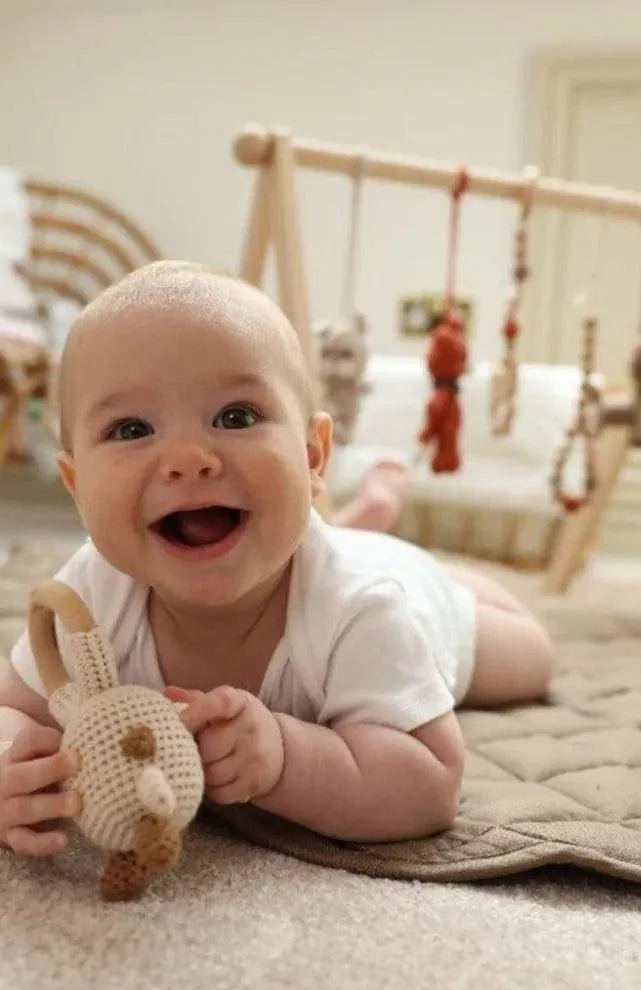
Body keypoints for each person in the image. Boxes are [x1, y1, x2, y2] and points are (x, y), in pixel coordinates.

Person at [0, 261, 554, 857]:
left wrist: (287, 759)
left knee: (533, 658)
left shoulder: (364, 608)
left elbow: (430, 787)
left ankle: (434, 569)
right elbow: (12, 705)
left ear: (313, 456)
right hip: (327, 548)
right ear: (77, 487)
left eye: (235, 417)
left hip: (417, 598)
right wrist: (11, 760)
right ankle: (354, 520)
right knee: (305, 536)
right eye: (132, 428)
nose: (188, 458)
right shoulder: (88, 599)